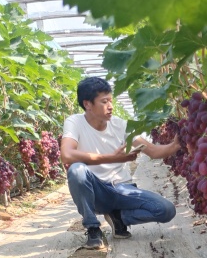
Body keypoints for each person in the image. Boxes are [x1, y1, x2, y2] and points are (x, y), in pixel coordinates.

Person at [60, 77, 181, 249]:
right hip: (97, 191)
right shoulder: (75, 122)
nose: (110, 106)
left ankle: (119, 218)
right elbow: (67, 154)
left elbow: (154, 152)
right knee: (76, 170)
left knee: (166, 210)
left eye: (111, 100)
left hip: (122, 189)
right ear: (87, 104)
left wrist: (176, 145)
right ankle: (93, 227)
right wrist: (114, 158)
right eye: (104, 102)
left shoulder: (121, 125)